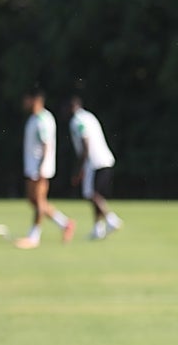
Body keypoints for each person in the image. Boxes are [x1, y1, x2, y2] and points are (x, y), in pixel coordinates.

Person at [15, 87, 75, 249]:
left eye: (27, 99)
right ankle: (65, 224)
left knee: (40, 201)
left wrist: (42, 167)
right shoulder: (34, 118)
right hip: (32, 166)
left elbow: (46, 144)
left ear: (35, 100)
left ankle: (34, 237)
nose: (24, 102)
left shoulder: (43, 119)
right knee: (33, 200)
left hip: (40, 167)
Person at [68, 97, 123, 240]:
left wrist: (78, 169)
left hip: (93, 162)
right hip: (105, 158)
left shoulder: (77, 121)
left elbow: (85, 145)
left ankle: (111, 220)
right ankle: (98, 229)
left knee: (90, 194)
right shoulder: (89, 116)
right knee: (97, 195)